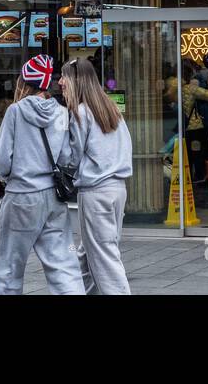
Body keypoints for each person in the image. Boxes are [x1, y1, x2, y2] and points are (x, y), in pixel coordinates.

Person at [0, 54, 84, 295]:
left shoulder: (15, 111)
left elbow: (3, 162)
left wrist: (9, 174)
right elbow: (65, 158)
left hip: (21, 197)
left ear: (25, 82)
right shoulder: (62, 113)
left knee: (10, 268)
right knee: (64, 264)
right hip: (53, 199)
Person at [60, 58, 132, 295]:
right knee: (89, 252)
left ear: (76, 81)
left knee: (104, 256)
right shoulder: (110, 108)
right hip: (117, 188)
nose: (60, 83)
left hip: (95, 191)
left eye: (64, 78)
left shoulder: (81, 112)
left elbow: (72, 157)